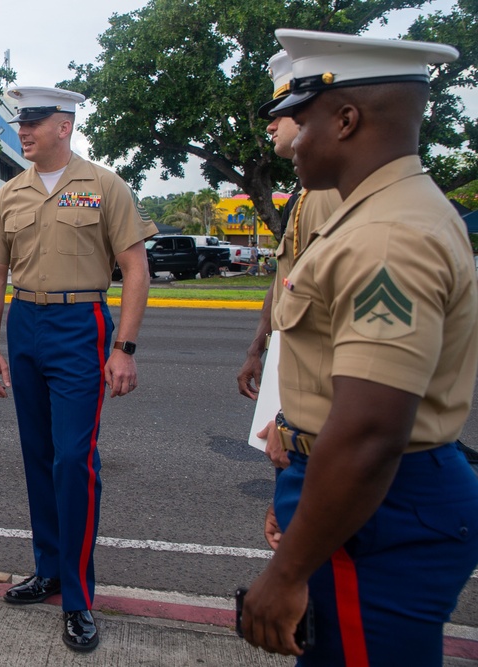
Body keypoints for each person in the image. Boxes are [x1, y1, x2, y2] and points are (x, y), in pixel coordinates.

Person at [238, 30, 478, 666]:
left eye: (303, 117)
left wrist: (286, 574)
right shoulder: (375, 212)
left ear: (346, 120)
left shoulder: (388, 237)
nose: (293, 137)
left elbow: (370, 432)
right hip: (357, 497)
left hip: (379, 510)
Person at [0, 86, 156, 653]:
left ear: (64, 126)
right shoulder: (11, 192)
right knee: (38, 455)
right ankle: (48, 568)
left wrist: (123, 347)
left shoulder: (104, 185)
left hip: (82, 324)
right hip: (25, 323)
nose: (23, 131)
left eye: (35, 122)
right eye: (19, 122)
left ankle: (78, 598)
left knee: (74, 458)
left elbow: (135, 267)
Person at [237, 51, 342, 468]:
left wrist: (293, 423)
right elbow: (286, 280)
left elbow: (333, 327)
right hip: (293, 374)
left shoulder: (328, 196)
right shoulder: (306, 193)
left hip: (317, 402)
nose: (271, 124)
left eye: (285, 112)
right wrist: (257, 347)